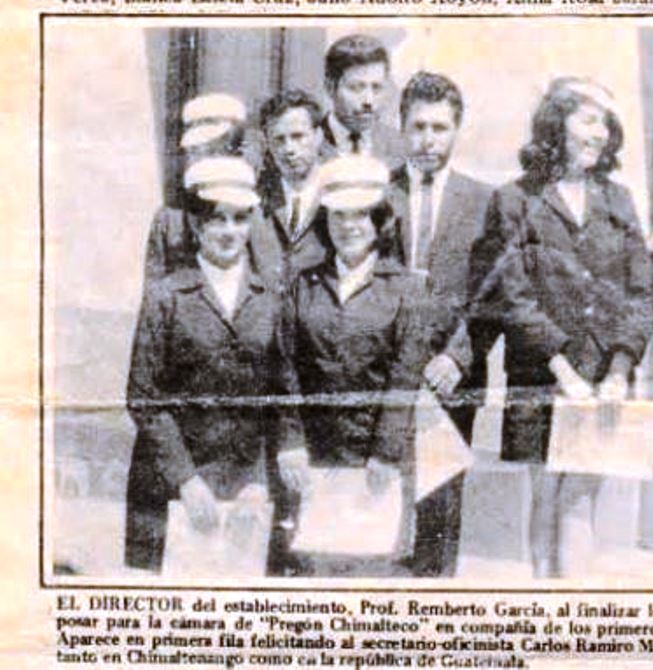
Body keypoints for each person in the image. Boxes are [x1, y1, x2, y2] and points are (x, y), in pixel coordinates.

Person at [469, 77, 653, 578]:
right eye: (589, 120)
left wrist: (618, 370)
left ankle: (572, 609)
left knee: (581, 499)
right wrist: (562, 370)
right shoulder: (515, 200)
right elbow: (514, 296)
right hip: (540, 373)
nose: (601, 133)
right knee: (546, 494)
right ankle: (544, 602)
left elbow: (640, 293)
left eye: (606, 123)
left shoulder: (619, 200)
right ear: (557, 123)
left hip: (603, 377)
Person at [273, 154, 458, 577]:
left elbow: (403, 379)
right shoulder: (303, 285)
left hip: (378, 459)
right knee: (317, 568)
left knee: (372, 571)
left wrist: (385, 455)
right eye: (338, 215)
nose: (349, 226)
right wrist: (290, 443)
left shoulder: (407, 289)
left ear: (379, 220)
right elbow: (285, 369)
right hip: (316, 457)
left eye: (360, 214)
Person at [124, 156, 278, 573]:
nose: (229, 231)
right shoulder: (166, 296)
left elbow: (279, 402)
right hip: (171, 485)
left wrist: (258, 481)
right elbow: (143, 397)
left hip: (244, 491)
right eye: (216, 219)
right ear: (195, 224)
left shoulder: (270, 299)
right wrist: (186, 480)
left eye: (240, 219)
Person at [387, 71, 493, 577]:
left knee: (440, 510)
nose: (428, 140)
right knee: (379, 506)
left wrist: (458, 355)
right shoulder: (376, 193)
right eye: (418, 127)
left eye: (439, 128)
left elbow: (494, 293)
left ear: (457, 129)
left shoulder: (484, 202)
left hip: (449, 376)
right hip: (384, 371)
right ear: (401, 127)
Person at [144, 93, 251, 283]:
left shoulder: (252, 212)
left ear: (235, 152)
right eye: (194, 152)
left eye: (214, 151)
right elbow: (154, 287)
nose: (201, 161)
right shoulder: (170, 219)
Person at [251, 89, 333, 293]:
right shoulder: (255, 202)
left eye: (298, 137)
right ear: (267, 143)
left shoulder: (339, 195)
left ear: (318, 136)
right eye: (279, 139)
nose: (289, 149)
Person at [321, 34, 403, 167]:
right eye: (356, 88)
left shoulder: (400, 147)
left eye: (376, 88)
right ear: (330, 88)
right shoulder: (306, 142)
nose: (368, 101)